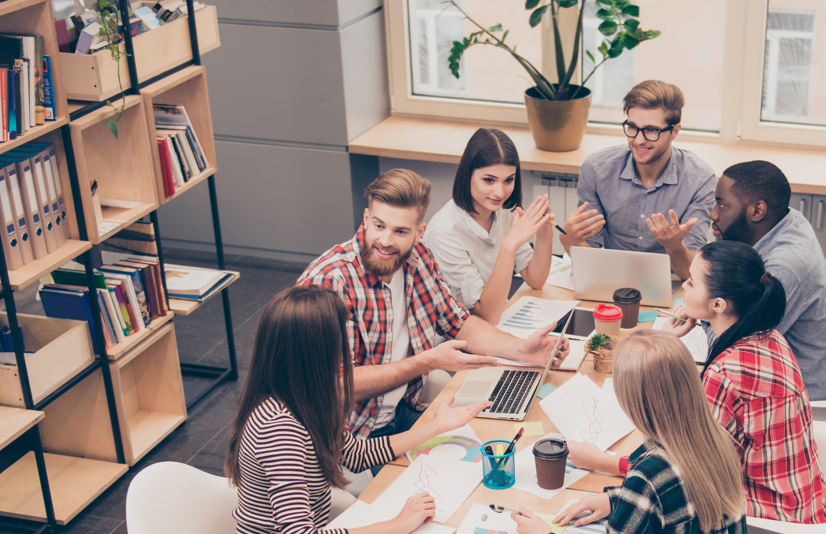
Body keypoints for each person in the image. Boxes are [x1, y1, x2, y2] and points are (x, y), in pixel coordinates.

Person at [297, 168, 569, 439]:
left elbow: (458, 323)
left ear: (419, 233)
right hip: (349, 434)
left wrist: (521, 350)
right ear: (366, 218)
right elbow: (337, 386)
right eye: (379, 226)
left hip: (404, 408)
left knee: (500, 442)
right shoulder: (331, 282)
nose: (386, 241)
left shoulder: (419, 258)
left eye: (401, 231)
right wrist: (426, 362)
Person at [225, 286, 493, 534]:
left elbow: (356, 455)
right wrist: (396, 525)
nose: (349, 352)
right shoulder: (280, 428)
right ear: (314, 353)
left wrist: (438, 425)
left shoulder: (310, 397)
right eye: (341, 341)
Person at [657, 241, 826, 523]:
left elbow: (694, 467)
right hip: (804, 506)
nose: (684, 287)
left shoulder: (725, 374)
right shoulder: (771, 336)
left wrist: (610, 470)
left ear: (717, 304)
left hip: (768, 521)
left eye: (691, 283)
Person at [514, 331, 746, 534]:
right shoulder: (719, 439)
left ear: (631, 401)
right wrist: (616, 499)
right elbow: (682, 501)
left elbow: (656, 489)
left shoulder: (647, 478)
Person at [706, 160, 826, 401]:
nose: (713, 213)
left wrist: (703, 308)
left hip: (803, 404)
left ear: (757, 211)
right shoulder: (787, 220)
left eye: (722, 204)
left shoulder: (785, 268)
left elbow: (731, 350)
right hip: (782, 379)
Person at [559, 80, 715, 279]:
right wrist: (568, 241)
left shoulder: (700, 179)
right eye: (632, 127)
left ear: (674, 131)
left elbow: (691, 272)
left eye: (651, 130)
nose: (639, 140)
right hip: (612, 277)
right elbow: (590, 251)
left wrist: (675, 247)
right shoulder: (597, 169)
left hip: (672, 281)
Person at [423, 128, 555, 324]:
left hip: (502, 322)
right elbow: (486, 315)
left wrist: (544, 234)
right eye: (489, 180)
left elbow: (536, 280)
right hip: (460, 337)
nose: (500, 192)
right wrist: (509, 245)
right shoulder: (444, 232)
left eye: (508, 180)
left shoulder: (504, 212)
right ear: (467, 175)